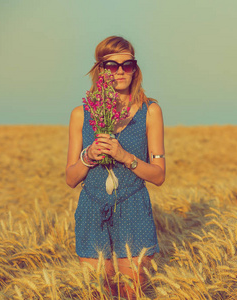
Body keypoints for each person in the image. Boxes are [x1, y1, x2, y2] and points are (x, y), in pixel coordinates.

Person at [66, 36, 165, 298]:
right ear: (100, 69)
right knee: (96, 292)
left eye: (127, 64)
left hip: (133, 208)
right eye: (111, 65)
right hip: (91, 208)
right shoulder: (80, 114)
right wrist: (88, 157)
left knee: (131, 293)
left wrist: (125, 156)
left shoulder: (150, 111)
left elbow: (159, 175)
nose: (120, 71)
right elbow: (70, 178)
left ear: (135, 69)